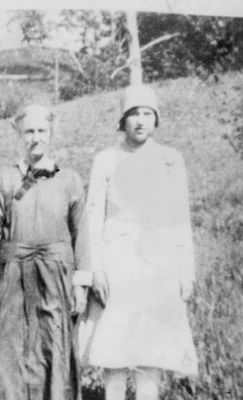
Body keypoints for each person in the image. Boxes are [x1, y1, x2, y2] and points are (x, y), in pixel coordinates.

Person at [77, 85, 198, 400]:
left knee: (151, 347)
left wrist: (186, 271)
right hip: (117, 263)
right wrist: (95, 271)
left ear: (156, 119)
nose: (140, 121)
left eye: (147, 113)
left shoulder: (170, 159)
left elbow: (179, 218)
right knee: (115, 346)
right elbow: (92, 218)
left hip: (158, 264)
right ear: (122, 120)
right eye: (133, 114)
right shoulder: (106, 160)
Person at [0, 104, 88, 400]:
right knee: (11, 345)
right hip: (13, 274)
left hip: (56, 276)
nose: (35, 138)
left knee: (53, 344)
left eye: (42, 131)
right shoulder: (5, 178)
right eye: (29, 131)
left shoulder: (70, 181)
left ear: (51, 134)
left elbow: (82, 234)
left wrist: (80, 286)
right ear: (19, 134)